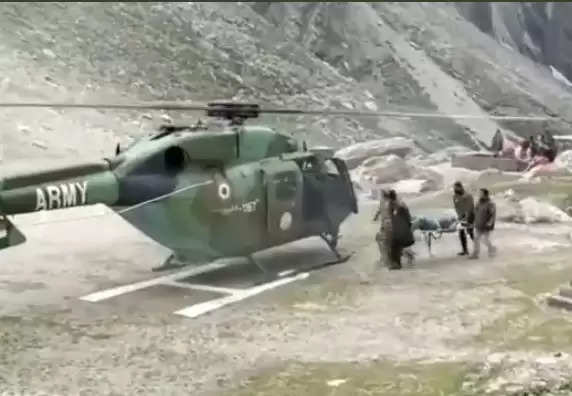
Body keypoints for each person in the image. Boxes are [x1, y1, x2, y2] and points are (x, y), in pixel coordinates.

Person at [373, 189, 414, 270]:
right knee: (394, 245)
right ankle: (394, 262)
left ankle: (396, 263)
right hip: (398, 227)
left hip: (398, 229)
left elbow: (395, 217)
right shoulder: (395, 203)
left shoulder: (395, 204)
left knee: (394, 245)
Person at [470, 188, 497, 259]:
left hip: (486, 225)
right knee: (476, 239)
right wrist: (473, 221)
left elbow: (493, 214)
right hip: (479, 224)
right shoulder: (478, 203)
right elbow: (475, 213)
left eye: (480, 193)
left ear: (485, 195)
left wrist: (490, 222)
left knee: (485, 240)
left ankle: (492, 248)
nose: (479, 195)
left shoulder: (490, 203)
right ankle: (475, 254)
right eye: (479, 193)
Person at [452, 181, 475, 256]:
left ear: (460, 187)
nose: (454, 189)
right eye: (454, 188)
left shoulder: (468, 196)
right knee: (461, 232)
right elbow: (456, 207)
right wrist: (459, 216)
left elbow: (470, 207)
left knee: (471, 233)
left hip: (470, 216)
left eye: (456, 188)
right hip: (461, 216)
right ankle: (465, 250)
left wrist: (467, 217)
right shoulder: (455, 196)